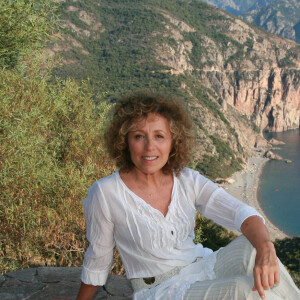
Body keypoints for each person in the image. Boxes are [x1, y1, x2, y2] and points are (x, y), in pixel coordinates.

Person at [76, 93, 300, 300]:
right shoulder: (105, 192)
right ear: (125, 142)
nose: (149, 147)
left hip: (203, 267)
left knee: (252, 247)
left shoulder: (186, 179)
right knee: (243, 290)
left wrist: (266, 249)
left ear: (173, 141)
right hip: (159, 290)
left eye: (159, 136)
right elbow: (98, 260)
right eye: (138, 136)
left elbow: (242, 214)